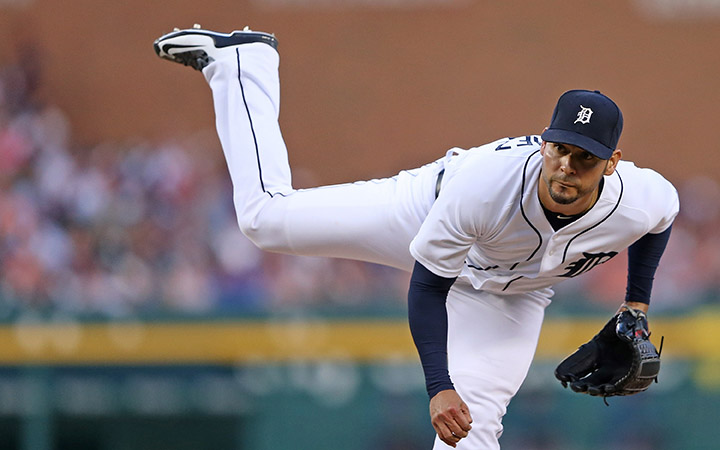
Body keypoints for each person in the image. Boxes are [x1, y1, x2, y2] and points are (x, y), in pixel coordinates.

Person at [153, 26, 679, 449]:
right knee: (264, 220)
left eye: (584, 157)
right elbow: (429, 287)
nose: (566, 166)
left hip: (512, 295)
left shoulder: (640, 197)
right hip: (426, 213)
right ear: (544, 142)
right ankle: (243, 64)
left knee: (470, 433)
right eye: (559, 148)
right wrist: (438, 385)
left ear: (611, 163)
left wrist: (636, 307)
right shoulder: (484, 187)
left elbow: (662, 221)